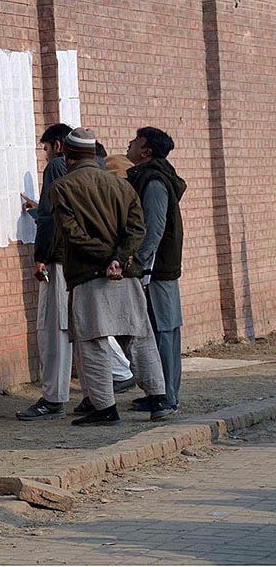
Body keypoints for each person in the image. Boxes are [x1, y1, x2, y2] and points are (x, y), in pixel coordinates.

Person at [48, 127, 175, 425]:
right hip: (125, 274)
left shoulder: (62, 188)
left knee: (92, 342)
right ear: (93, 153)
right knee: (139, 336)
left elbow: (72, 234)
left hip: (88, 275)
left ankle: (104, 407)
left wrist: (105, 259)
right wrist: (119, 259)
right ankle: (159, 398)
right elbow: (137, 229)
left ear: (67, 154)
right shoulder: (122, 185)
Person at [126, 127, 186, 413]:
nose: (130, 144)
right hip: (163, 267)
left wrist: (139, 261)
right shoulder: (154, 177)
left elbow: (154, 228)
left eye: (136, 141)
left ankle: (166, 396)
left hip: (157, 270)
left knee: (164, 331)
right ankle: (161, 392)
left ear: (146, 151)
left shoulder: (153, 182)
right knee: (165, 330)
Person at [17, 124, 72, 420]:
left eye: (46, 148)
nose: (46, 154)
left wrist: (41, 255)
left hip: (58, 259)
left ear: (58, 146)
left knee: (53, 329)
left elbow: (54, 217)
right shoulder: (91, 168)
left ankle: (52, 398)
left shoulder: (56, 168)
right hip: (79, 260)